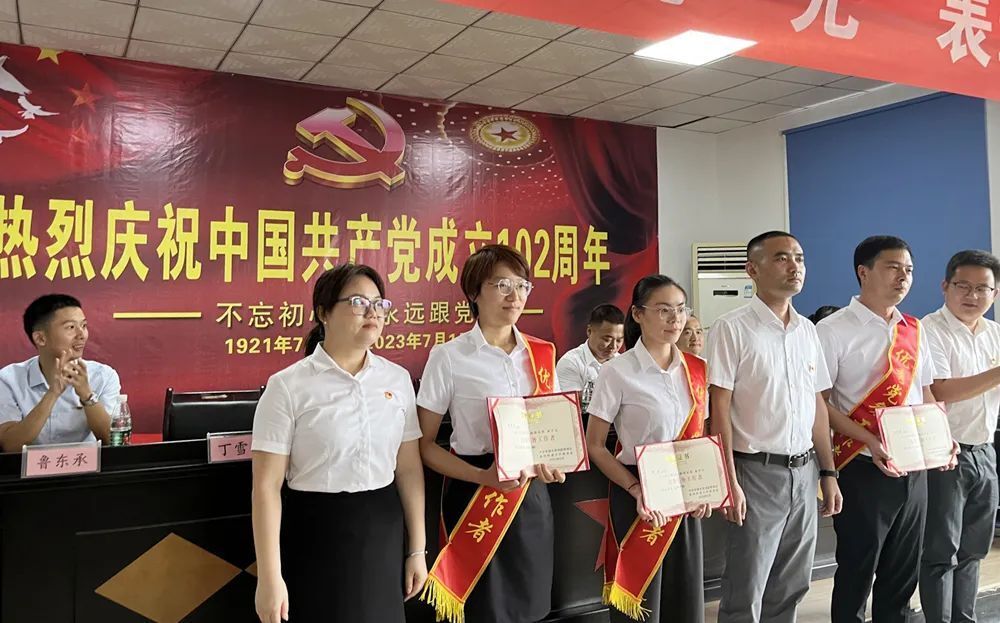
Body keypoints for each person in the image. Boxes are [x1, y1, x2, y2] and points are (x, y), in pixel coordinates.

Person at [251, 264, 427, 623]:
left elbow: (409, 469)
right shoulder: (288, 386)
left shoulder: (397, 380)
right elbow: (266, 487)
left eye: (379, 304)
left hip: (382, 531)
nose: (373, 313)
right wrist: (269, 577)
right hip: (316, 533)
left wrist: (417, 550)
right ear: (323, 313)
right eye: (359, 302)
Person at [416, 244, 565, 623]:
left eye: (522, 285)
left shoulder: (542, 354)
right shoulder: (449, 357)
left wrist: (553, 463)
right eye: (502, 285)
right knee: (481, 607)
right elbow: (425, 445)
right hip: (475, 490)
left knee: (530, 605)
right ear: (474, 292)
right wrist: (483, 477)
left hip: (530, 498)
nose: (515, 296)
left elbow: (551, 432)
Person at [817, 235, 956, 623]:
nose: (903, 277)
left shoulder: (913, 328)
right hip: (861, 465)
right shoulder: (831, 330)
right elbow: (819, 404)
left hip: (913, 466)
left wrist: (943, 438)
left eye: (909, 270)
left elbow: (925, 392)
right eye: (893, 267)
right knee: (857, 568)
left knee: (902, 572)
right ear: (863, 272)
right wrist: (869, 440)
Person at [707, 231, 841, 623]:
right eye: (782, 258)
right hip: (754, 471)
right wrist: (728, 481)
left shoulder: (808, 330)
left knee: (792, 583)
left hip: (804, 471)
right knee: (747, 585)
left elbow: (817, 404)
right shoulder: (732, 328)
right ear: (752, 269)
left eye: (799, 258)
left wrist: (828, 472)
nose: (794, 266)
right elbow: (719, 409)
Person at [586, 274, 711, 622]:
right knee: (640, 603)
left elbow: (699, 436)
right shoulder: (617, 371)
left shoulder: (697, 369)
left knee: (683, 600)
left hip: (684, 496)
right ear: (638, 314)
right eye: (663, 310)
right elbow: (595, 445)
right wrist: (635, 488)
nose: (675, 319)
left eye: (681, 309)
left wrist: (704, 488)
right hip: (638, 498)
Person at [918, 250, 1000, 623]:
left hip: (985, 451)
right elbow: (941, 390)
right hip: (943, 455)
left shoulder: (994, 333)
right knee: (940, 552)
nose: (972, 295)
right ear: (945, 286)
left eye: (983, 288)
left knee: (974, 550)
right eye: (963, 286)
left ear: (995, 294)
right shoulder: (928, 330)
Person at [0, 294, 119, 450]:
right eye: (71, 327)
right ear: (40, 338)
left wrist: (87, 395)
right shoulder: (8, 380)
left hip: (84, 465)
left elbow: (113, 442)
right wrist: (53, 393)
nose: (81, 335)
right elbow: (10, 445)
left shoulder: (103, 376)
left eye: (83, 326)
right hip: (31, 466)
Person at [556, 303, 625, 413]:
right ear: (589, 331)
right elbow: (572, 407)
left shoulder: (623, 362)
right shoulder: (570, 363)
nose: (613, 346)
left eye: (619, 340)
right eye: (607, 339)